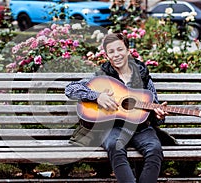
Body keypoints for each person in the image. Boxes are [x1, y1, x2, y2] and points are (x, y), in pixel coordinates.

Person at [65, 33, 169, 183]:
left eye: (120, 49)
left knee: (154, 149)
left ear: (128, 51)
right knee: (115, 146)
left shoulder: (143, 76)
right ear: (107, 56)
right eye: (111, 52)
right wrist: (97, 96)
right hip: (112, 127)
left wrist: (159, 115)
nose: (116, 55)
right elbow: (70, 89)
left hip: (141, 128)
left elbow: (154, 105)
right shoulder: (103, 75)